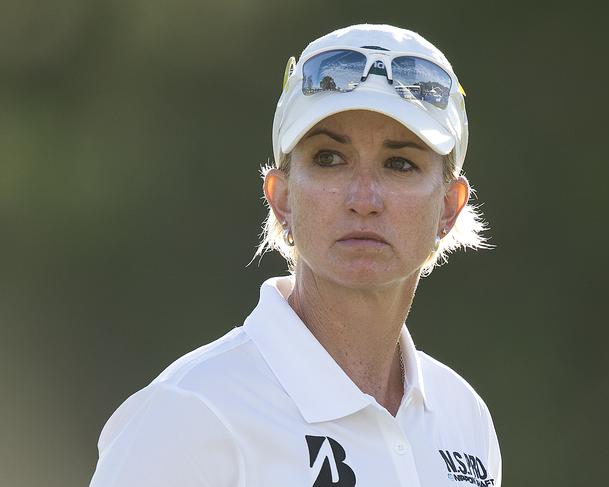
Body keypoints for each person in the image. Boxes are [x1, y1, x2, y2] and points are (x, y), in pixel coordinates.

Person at [89, 23, 501, 487]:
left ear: (448, 207)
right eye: (329, 158)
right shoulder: (192, 411)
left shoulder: (464, 420)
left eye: (400, 163)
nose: (363, 197)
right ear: (281, 198)